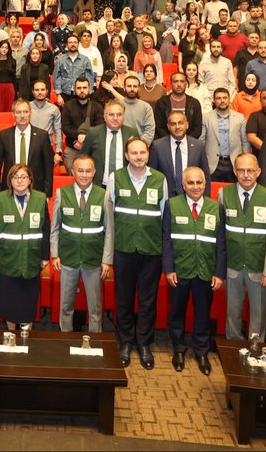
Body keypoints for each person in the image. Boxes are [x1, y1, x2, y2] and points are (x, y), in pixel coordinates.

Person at [109, 137, 167, 369]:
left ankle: (144, 343)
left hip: (151, 250)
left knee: (147, 300)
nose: (139, 157)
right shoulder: (116, 178)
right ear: (126, 156)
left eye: (142, 152)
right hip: (123, 249)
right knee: (123, 298)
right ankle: (124, 341)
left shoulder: (159, 179)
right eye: (134, 153)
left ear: (148, 154)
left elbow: (163, 216)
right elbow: (110, 212)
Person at [162, 165, 224, 375]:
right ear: (183, 185)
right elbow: (167, 240)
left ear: (205, 184)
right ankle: (179, 348)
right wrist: (169, 268)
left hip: (205, 271)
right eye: (191, 182)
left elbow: (221, 243)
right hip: (180, 270)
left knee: (203, 313)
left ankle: (201, 351)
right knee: (177, 311)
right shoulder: (172, 205)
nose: (195, 187)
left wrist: (218, 272)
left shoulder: (216, 207)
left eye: (199, 182)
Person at [218, 152, 266, 341]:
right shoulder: (224, 194)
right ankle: (233, 349)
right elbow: (220, 233)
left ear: (258, 172)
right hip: (232, 266)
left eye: (250, 171)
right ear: (235, 172)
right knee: (232, 313)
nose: (246, 175)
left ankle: (256, 350)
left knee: (258, 315)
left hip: (259, 268)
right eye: (241, 170)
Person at [50, 155, 113, 333]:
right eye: (80, 170)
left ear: (94, 172)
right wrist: (55, 254)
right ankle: (65, 340)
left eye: (88, 171)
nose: (84, 175)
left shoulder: (104, 195)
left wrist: (107, 260)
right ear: (73, 171)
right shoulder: (62, 194)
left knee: (95, 309)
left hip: (93, 260)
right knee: (65, 306)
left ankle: (95, 341)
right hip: (67, 259)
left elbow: (109, 230)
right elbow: (54, 227)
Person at [0, 163, 50, 330]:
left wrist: (45, 257)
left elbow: (46, 230)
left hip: (32, 258)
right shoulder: (1, 198)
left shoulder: (40, 198)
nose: (19, 180)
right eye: (15, 177)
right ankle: (10, 332)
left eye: (23, 176)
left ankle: (25, 334)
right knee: (9, 301)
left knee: (28, 301)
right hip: (8, 259)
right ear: (10, 180)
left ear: (30, 179)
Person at [0, 99, 55, 196]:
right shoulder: (4, 135)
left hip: (36, 189)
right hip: (9, 189)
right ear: (13, 115)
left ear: (30, 113)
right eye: (18, 112)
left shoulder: (42, 135)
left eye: (25, 112)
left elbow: (48, 167)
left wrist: (47, 194)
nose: (22, 115)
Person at [150, 108, 209, 197]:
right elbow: (152, 175)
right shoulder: (158, 146)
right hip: (165, 198)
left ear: (187, 125)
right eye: (173, 124)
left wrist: (205, 200)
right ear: (168, 127)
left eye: (180, 123)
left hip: (191, 198)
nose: (177, 127)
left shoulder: (198, 146)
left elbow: (205, 176)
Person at [81, 101, 139, 189]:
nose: (115, 118)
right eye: (111, 114)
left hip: (126, 185)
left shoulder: (132, 133)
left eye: (119, 115)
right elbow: (83, 158)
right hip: (99, 186)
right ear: (104, 117)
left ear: (123, 117)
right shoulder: (93, 133)